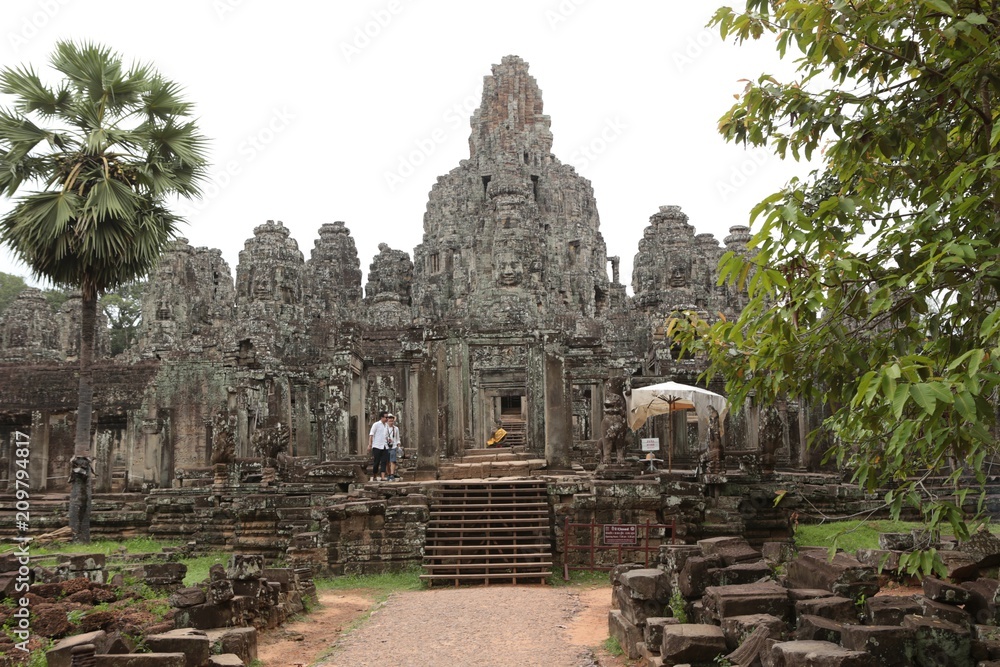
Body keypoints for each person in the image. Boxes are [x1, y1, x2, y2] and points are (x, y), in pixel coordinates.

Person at [368, 410, 389, 482]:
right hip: (377, 446)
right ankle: (374, 475)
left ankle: (383, 477)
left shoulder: (387, 426)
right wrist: (370, 444)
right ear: (381, 417)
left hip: (385, 446)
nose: (387, 419)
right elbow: (371, 434)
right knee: (376, 462)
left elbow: (386, 435)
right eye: (386, 417)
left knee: (384, 461)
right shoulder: (376, 424)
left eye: (387, 417)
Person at [386, 414, 401, 481]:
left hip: (393, 446)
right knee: (387, 462)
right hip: (385, 446)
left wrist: (398, 445)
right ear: (387, 421)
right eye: (390, 421)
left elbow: (397, 438)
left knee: (393, 461)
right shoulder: (384, 428)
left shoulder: (396, 428)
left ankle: (392, 474)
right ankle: (388, 474)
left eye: (392, 421)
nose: (391, 422)